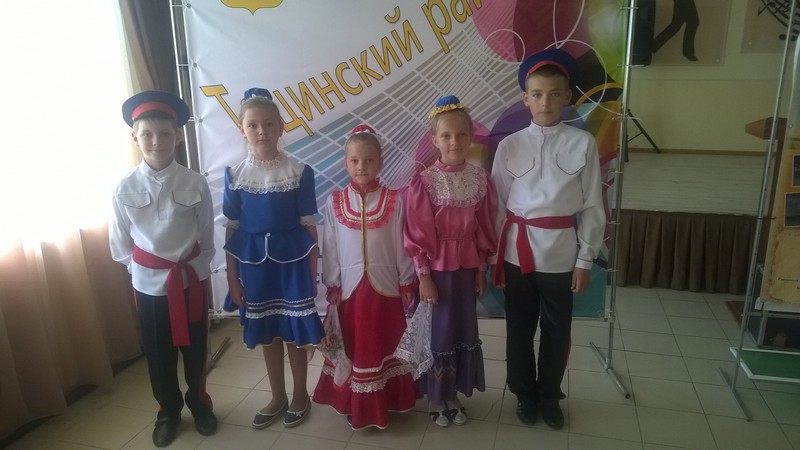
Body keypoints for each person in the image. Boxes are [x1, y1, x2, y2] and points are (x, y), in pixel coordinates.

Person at [491, 49, 605, 430]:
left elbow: (592, 206)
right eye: (537, 94)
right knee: (519, 329)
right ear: (525, 98)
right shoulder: (509, 145)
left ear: (568, 97)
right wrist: (493, 256)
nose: (545, 102)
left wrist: (585, 259)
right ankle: (524, 393)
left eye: (555, 94)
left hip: (560, 255)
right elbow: (497, 204)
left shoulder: (582, 144)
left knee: (557, 331)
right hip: (517, 253)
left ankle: (550, 395)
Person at [110, 90, 217, 447]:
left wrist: (193, 269)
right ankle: (168, 412)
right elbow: (120, 244)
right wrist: (145, 271)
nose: (157, 142)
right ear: (134, 137)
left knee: (196, 350)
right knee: (158, 354)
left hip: (189, 282)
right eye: (147, 134)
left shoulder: (194, 182)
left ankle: (199, 403)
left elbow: (206, 236)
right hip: (149, 285)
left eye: (165, 134)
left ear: (178, 136)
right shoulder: (124, 187)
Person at [222, 88, 324, 429]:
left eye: (269, 124)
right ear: (242, 130)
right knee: (268, 333)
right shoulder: (235, 175)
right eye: (253, 125)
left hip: (292, 266)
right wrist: (232, 278)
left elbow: (309, 226)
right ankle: (277, 396)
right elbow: (232, 230)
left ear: (281, 127)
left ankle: (300, 395)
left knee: (294, 332)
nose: (262, 131)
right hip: (255, 269)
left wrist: (313, 274)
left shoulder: (299, 171)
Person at [312, 124, 418, 430]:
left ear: (380, 162)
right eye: (355, 160)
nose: (362, 166)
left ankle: (391, 398)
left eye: (369, 160)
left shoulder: (394, 200)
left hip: (386, 290)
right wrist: (333, 283)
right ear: (345, 163)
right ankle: (353, 401)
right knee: (356, 346)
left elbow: (402, 243)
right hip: (350, 292)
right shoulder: (335, 202)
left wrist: (406, 280)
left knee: (385, 343)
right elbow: (330, 246)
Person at [403, 95, 498, 427]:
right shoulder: (425, 182)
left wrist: (482, 269)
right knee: (438, 332)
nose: (454, 141)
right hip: (436, 272)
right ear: (434, 140)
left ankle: (453, 393)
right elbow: (417, 232)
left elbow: (485, 227)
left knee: (461, 329)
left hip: (466, 269)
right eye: (446, 135)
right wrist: (423, 276)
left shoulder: (480, 179)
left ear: (471, 137)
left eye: (461, 135)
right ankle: (435, 396)